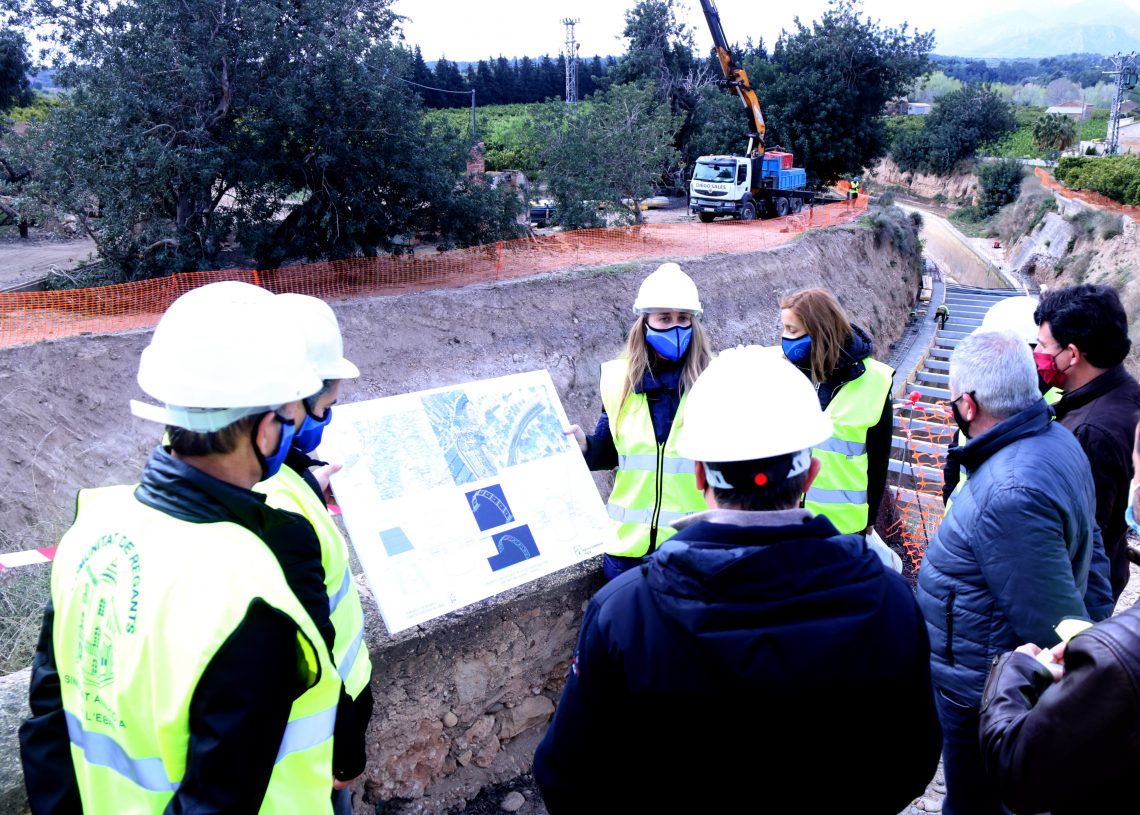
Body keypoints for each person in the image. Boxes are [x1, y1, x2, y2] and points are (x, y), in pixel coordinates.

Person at [534, 346, 941, 812]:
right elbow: (914, 760)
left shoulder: (625, 613)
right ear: (811, 473)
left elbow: (566, 778)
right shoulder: (889, 602)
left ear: (701, 476)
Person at [19, 282, 343, 814]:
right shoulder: (250, 591)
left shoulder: (92, 533)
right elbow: (216, 801)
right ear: (266, 431)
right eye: (289, 418)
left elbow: (47, 726)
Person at [916, 329, 1114, 815]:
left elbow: (1051, 623)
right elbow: (1097, 554)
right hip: (989, 670)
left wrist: (1076, 676)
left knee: (976, 805)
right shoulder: (1056, 440)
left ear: (967, 404)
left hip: (985, 689)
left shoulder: (1009, 491)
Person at [978, 420, 1140, 815]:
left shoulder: (1123, 654)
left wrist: (1014, 669)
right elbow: (1096, 540)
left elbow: (1019, 771)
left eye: (1137, 468)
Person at [255, 294, 374, 814]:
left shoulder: (269, 480)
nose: (325, 419)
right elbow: (317, 652)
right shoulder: (278, 517)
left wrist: (305, 476)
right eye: (323, 408)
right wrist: (346, 755)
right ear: (282, 408)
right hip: (306, 763)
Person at [567, 262, 712, 581]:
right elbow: (610, 452)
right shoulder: (618, 381)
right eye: (664, 318)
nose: (675, 327)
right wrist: (586, 446)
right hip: (626, 553)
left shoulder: (714, 383)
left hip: (691, 551)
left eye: (683, 318)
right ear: (644, 322)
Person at [1035, 283, 1140, 601]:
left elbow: (1079, 540)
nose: (1037, 355)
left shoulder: (1091, 433)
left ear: (1073, 354)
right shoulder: (1126, 394)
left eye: (1042, 345)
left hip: (1073, 598)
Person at [779, 287, 893, 536]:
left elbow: (878, 457)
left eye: (792, 330)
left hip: (843, 529)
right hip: (787, 522)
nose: (784, 338)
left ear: (820, 331)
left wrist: (870, 517)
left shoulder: (876, 381)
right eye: (785, 328)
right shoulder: (784, 371)